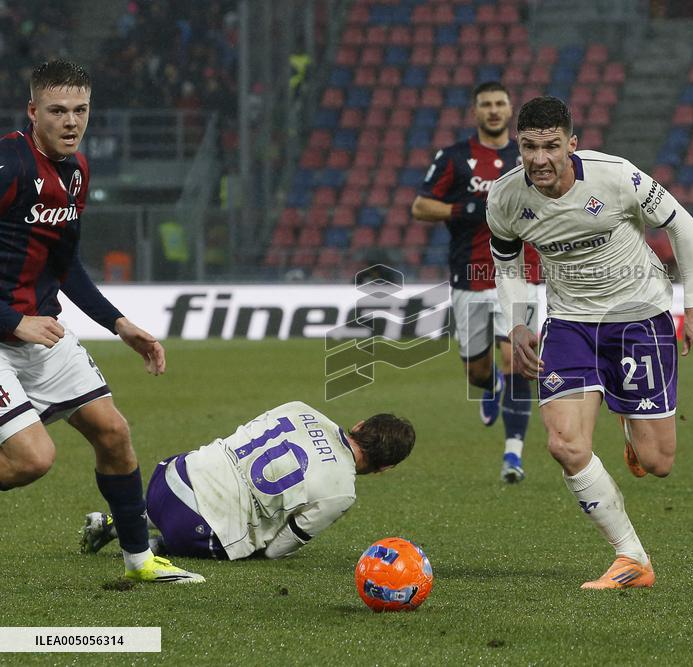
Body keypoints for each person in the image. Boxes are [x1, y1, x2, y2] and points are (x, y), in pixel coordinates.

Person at [486, 97, 693, 589]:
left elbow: (682, 223)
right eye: (529, 147)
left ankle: (628, 422)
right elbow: (506, 261)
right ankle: (631, 557)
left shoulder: (615, 177)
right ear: (518, 147)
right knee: (566, 445)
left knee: (658, 464)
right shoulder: (505, 199)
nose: (541, 158)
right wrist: (518, 322)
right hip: (570, 324)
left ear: (572, 145)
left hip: (639, 318)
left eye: (552, 146)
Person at [0, 60, 203, 584]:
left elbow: (64, 265)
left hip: (40, 333)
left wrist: (119, 323)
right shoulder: (9, 165)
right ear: (33, 112)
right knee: (31, 460)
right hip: (4, 334)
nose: (71, 121)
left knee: (113, 432)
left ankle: (139, 562)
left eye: (81, 110)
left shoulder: (76, 172)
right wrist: (11, 320)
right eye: (58, 110)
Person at [80, 401, 416, 561]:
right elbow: (277, 549)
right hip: (194, 528)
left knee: (217, 470)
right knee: (243, 544)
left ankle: (119, 522)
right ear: (385, 467)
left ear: (358, 424)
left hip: (168, 477)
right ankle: (155, 544)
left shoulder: (302, 408)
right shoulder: (342, 491)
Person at [411, 81, 543, 483]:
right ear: (475, 112)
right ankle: (490, 387)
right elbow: (420, 206)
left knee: (517, 360)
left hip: (521, 276)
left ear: (510, 110)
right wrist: (464, 206)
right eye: (485, 104)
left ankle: (513, 454)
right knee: (478, 371)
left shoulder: (530, 157)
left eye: (500, 103)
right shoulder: (454, 157)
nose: (493, 110)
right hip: (471, 277)